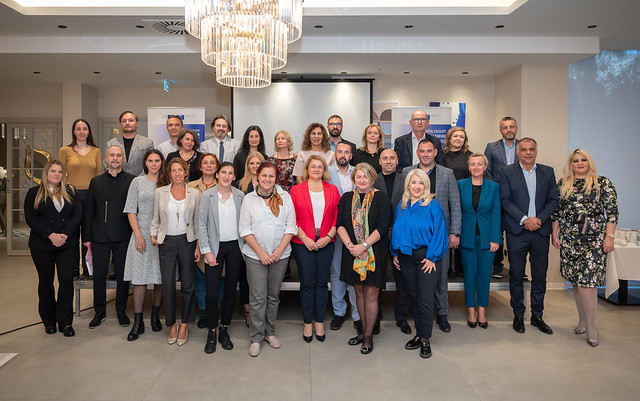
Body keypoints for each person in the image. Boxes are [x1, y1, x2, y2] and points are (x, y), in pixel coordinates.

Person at [551, 149, 618, 347]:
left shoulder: (602, 183)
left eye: (583, 160)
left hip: (594, 239)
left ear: (589, 162)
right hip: (570, 238)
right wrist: (554, 234)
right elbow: (557, 213)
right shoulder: (563, 184)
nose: (580, 163)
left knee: (588, 283)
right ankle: (581, 320)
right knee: (577, 283)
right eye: (575, 160)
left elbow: (612, 212)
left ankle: (591, 326)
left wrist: (609, 237)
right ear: (570, 164)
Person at [500, 137, 559, 335]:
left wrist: (538, 220)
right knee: (516, 274)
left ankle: (537, 316)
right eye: (523, 149)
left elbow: (553, 200)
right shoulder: (507, 172)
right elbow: (505, 200)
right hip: (517, 231)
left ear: (536, 151)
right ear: (517, 152)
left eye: (531, 149)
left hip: (541, 231)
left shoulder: (547, 171)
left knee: (539, 275)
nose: (527, 152)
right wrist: (525, 219)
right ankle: (518, 314)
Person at [403, 138, 461, 333]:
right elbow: (402, 204)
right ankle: (419, 315)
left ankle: (442, 313)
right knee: (418, 282)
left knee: (440, 276)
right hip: (415, 238)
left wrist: (455, 232)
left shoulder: (447, 173)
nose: (425, 154)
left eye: (429, 151)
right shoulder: (407, 172)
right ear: (417, 152)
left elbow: (455, 204)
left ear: (435, 152)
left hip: (439, 236)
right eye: (422, 151)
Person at [239, 161, 297, 357]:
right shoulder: (249, 199)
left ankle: (269, 332)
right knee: (257, 298)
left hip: (280, 256)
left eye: (271, 176)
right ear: (257, 176)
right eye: (264, 175)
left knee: (273, 296)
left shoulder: (285, 197)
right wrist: (262, 253)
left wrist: (279, 251)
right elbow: (245, 229)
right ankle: (256, 337)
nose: (267, 179)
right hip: (255, 256)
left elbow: (291, 227)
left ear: (276, 178)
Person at [390, 169, 448, 358]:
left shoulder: (433, 205)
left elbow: (440, 232)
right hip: (405, 256)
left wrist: (432, 257)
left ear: (426, 186)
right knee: (414, 296)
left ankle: (425, 340)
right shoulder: (402, 205)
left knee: (424, 298)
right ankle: (419, 333)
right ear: (408, 184)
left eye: (421, 183)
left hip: (426, 257)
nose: (417, 186)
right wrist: (395, 253)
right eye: (413, 182)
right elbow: (397, 230)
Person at [336, 163, 391, 354]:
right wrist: (351, 247)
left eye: (365, 177)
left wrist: (364, 246)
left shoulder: (381, 198)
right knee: (358, 292)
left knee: (371, 294)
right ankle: (360, 331)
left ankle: (368, 336)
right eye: (358, 176)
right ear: (354, 179)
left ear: (372, 179)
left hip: (374, 253)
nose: (362, 180)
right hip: (351, 253)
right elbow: (340, 225)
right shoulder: (346, 198)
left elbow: (384, 226)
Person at [24, 160, 81, 337]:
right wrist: (51, 236)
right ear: (46, 173)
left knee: (65, 280)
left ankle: (65, 323)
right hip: (42, 245)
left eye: (60, 171)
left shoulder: (71, 191)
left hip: (67, 244)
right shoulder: (34, 192)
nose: (57, 174)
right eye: (53, 171)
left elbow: (77, 214)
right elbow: (31, 219)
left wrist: (64, 235)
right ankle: (49, 322)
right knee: (46, 282)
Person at [150, 158, 201, 346]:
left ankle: (185, 324)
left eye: (181, 170)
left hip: (187, 242)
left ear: (186, 172)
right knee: (168, 284)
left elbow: (197, 222)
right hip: (167, 243)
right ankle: (171, 324)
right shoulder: (160, 193)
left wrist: (198, 246)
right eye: (174, 170)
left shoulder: (194, 194)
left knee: (188, 285)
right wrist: (153, 235)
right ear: (169, 173)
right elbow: (155, 218)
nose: (178, 173)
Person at [83, 145, 135, 329]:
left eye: (118, 155)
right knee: (99, 275)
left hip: (123, 235)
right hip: (99, 235)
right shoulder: (96, 181)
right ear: (106, 158)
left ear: (123, 159)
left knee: (122, 276)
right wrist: (86, 237)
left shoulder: (132, 181)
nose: (115, 158)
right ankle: (99, 311)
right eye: (112, 155)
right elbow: (89, 211)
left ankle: (121, 310)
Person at [290, 156, 340, 342]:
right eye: (313, 166)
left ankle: (319, 322)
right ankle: (307, 324)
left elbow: (337, 217)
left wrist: (328, 237)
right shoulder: (296, 190)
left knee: (321, 283)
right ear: (307, 168)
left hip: (327, 241)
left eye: (320, 166)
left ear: (324, 169)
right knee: (307, 283)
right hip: (303, 242)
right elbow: (291, 218)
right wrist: (305, 238)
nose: (317, 169)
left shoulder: (333, 190)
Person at [198, 162, 246, 354]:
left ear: (234, 177)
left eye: (230, 173)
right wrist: (206, 251)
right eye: (223, 172)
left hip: (235, 247)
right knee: (211, 292)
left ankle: (224, 329)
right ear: (217, 175)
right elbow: (201, 224)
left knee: (229, 291)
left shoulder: (240, 196)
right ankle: (211, 331)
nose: (226, 176)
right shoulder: (207, 196)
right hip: (214, 248)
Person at [123, 149, 166, 341]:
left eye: (157, 160)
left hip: (161, 237)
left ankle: (155, 316)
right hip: (141, 236)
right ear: (145, 163)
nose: (154, 163)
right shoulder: (137, 182)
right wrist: (138, 235)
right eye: (151, 160)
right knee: (139, 280)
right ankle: (138, 321)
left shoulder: (168, 182)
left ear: (162, 162)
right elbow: (131, 210)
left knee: (159, 279)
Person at [457, 154, 501, 329]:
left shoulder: (494, 186)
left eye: (479, 164)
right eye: (473, 164)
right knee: (469, 274)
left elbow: (497, 213)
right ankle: (470, 309)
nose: (476, 167)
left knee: (484, 275)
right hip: (466, 237)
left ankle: (482, 309)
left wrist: (495, 238)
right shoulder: (460, 185)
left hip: (487, 238)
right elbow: (456, 211)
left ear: (485, 167)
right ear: (468, 167)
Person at [57, 118, 101, 279]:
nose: (82, 132)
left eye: (85, 129)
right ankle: (74, 270)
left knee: (88, 234)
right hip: (70, 195)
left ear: (89, 131)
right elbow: (59, 174)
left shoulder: (96, 150)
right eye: (78, 129)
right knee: (72, 234)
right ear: (74, 131)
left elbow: (98, 176)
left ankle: (88, 270)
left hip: (90, 195)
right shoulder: (65, 150)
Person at [373, 148, 410, 335]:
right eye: (385, 158)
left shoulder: (407, 181)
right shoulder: (372, 180)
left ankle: (401, 316)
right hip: (378, 236)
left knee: (401, 278)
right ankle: (376, 317)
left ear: (397, 161)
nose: (388, 161)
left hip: (400, 235)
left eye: (392, 158)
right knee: (377, 278)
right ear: (379, 161)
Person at [327, 142, 360, 331]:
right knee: (337, 271)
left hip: (356, 230)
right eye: (340, 151)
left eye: (347, 152)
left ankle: (357, 314)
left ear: (351, 155)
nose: (343, 155)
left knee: (355, 271)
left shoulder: (359, 172)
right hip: (334, 229)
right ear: (335, 154)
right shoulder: (327, 173)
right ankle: (339, 312)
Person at [484, 116, 520, 279]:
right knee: (496, 231)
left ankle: (517, 269)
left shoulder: (523, 146)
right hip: (497, 195)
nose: (508, 130)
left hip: (518, 198)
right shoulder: (492, 147)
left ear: (516, 129)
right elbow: (487, 171)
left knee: (515, 232)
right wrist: (498, 186)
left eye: (511, 127)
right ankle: (497, 266)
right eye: (505, 127)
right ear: (500, 130)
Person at [188, 153, 220, 329]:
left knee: (219, 275)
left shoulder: (223, 185)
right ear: (200, 166)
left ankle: (215, 308)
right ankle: (204, 311)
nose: (208, 166)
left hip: (218, 238)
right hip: (196, 238)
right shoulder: (190, 187)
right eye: (205, 163)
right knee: (200, 277)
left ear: (217, 167)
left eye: (212, 163)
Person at [106, 111, 154, 177]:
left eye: (131, 120)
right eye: (124, 121)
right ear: (121, 124)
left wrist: (136, 181)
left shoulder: (147, 143)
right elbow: (106, 164)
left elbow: (150, 165)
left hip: (140, 183)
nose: (127, 123)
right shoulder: (111, 143)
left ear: (136, 123)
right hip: (117, 182)